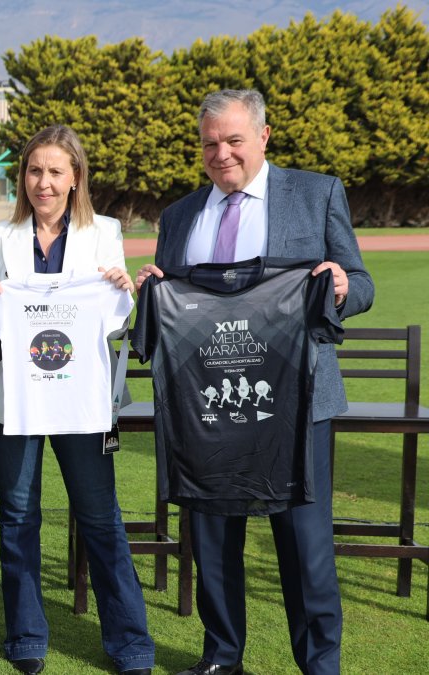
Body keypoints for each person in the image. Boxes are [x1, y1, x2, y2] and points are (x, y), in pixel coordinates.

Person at [135, 89, 373, 675]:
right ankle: (222, 658)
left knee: (305, 544)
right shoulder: (179, 216)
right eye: (210, 144)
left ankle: (320, 665)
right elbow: (175, 306)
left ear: (263, 137)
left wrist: (343, 287)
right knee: (213, 537)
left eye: (234, 140)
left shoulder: (316, 194)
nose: (222, 154)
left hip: (299, 402)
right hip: (206, 406)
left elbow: (361, 283)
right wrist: (152, 293)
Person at [0, 126, 153, 675]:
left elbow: (115, 326)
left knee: (100, 517)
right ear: (23, 177)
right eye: (33, 170)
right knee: (17, 516)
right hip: (11, 401)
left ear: (75, 178)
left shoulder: (105, 232)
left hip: (82, 401)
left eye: (54, 172)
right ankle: (26, 636)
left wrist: (123, 291)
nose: (42, 182)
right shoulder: (1, 235)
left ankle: (131, 643)